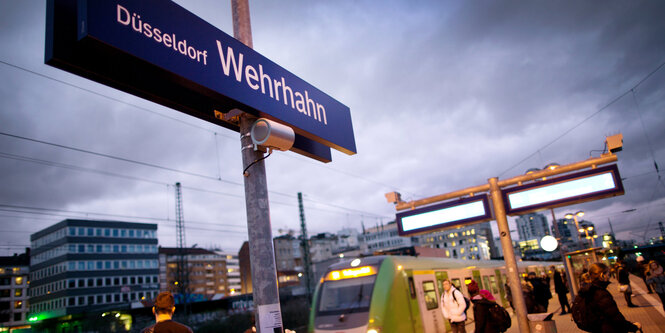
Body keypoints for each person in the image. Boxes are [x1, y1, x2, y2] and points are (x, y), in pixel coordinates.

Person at [577, 263, 641, 333]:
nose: (609, 276)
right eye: (608, 274)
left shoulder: (586, 290)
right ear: (602, 275)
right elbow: (616, 318)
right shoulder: (601, 293)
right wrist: (633, 327)